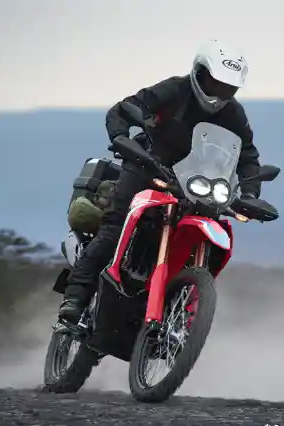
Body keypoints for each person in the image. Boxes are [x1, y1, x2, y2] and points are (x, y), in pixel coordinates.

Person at [59, 39, 264, 323]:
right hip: (148, 167)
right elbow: (126, 108)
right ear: (199, 73)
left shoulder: (233, 113)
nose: (219, 93)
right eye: (214, 83)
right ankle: (74, 299)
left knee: (214, 233)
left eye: (227, 88)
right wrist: (121, 137)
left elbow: (247, 154)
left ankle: (179, 319)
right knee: (116, 226)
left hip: (195, 184)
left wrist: (250, 193)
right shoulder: (174, 90)